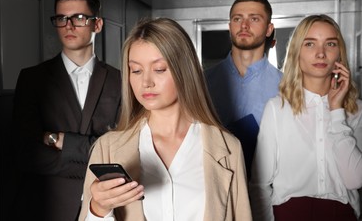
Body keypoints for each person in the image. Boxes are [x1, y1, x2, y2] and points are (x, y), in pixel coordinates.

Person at [78, 17, 252, 221]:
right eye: (136, 70)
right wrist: (98, 208)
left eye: (159, 69)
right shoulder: (107, 148)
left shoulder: (228, 148)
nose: (146, 82)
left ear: (184, 71)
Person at [12, 0, 122, 221]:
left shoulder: (120, 80)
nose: (69, 26)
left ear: (98, 24)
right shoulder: (32, 79)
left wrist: (62, 141)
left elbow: (123, 149)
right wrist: (97, 167)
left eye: (79, 18)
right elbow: (26, 153)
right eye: (61, 18)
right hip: (46, 209)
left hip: (104, 211)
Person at [249, 14, 362, 221]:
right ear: (296, 52)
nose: (321, 53)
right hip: (289, 214)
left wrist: (337, 112)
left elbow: (355, 179)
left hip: (343, 214)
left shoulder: (356, 110)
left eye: (330, 44)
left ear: (339, 54)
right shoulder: (277, 108)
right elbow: (259, 184)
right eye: (310, 44)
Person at [205, 0, 282, 178]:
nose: (244, 25)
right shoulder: (202, 82)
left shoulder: (286, 86)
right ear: (229, 26)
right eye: (237, 19)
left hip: (268, 190)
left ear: (269, 29)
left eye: (254, 19)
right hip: (215, 186)